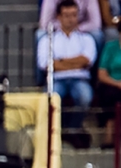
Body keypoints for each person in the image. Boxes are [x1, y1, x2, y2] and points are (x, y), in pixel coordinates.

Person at [38, 0, 98, 149]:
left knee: (85, 96)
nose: (70, 19)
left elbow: (87, 60)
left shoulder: (87, 39)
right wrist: (74, 62)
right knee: (52, 98)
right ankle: (59, 129)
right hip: (57, 79)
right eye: (66, 15)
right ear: (58, 17)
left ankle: (71, 129)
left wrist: (61, 61)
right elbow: (46, 64)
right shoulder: (47, 39)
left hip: (80, 80)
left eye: (74, 15)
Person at [96, 36, 121, 147]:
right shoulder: (110, 47)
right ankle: (109, 133)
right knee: (110, 95)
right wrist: (118, 83)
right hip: (111, 83)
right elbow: (101, 74)